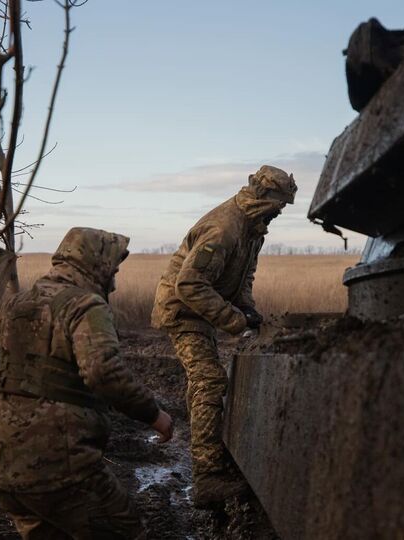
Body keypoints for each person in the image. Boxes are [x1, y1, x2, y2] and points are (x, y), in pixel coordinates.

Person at [0, 227, 174, 539]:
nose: (115, 276)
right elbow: (103, 371)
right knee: (125, 532)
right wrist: (154, 415)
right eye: (113, 268)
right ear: (95, 266)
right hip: (64, 470)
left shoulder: (12, 306)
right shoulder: (85, 306)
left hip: (6, 469)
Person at [151, 165, 297, 508]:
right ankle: (207, 478)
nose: (279, 213)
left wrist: (249, 310)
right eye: (278, 206)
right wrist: (234, 320)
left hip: (202, 307)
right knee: (209, 380)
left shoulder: (253, 229)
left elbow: (244, 278)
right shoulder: (224, 228)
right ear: (264, 199)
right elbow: (187, 285)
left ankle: (214, 455)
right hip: (183, 310)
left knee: (208, 379)